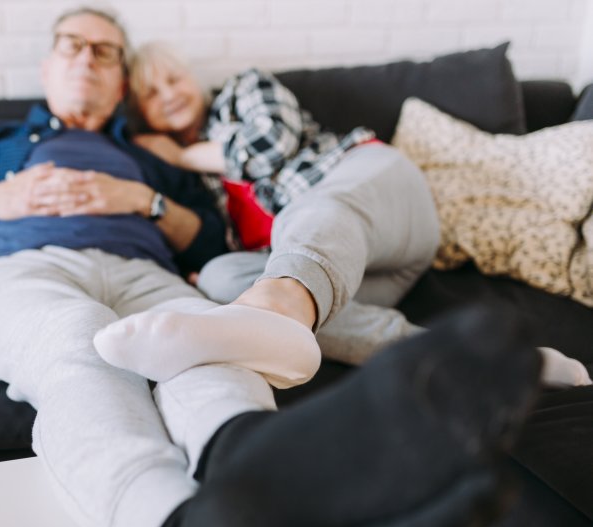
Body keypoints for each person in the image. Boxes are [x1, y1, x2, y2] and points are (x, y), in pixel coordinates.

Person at [0, 8, 544, 527]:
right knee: (75, 345)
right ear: (48, 65)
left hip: (147, 270)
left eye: (105, 52)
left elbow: (208, 245)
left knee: (210, 347)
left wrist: (145, 199)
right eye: (72, 45)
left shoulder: (147, 155)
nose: (86, 58)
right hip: (22, 266)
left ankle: (255, 483)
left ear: (119, 86)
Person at [93, 41, 591, 391]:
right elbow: (208, 243)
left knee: (315, 207)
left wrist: (181, 154)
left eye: (173, 80)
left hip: (379, 198)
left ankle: (278, 308)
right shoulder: (192, 183)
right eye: (151, 95)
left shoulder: (242, 92)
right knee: (223, 276)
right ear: (144, 118)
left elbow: (271, 146)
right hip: (341, 276)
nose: (169, 94)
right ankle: (490, 364)